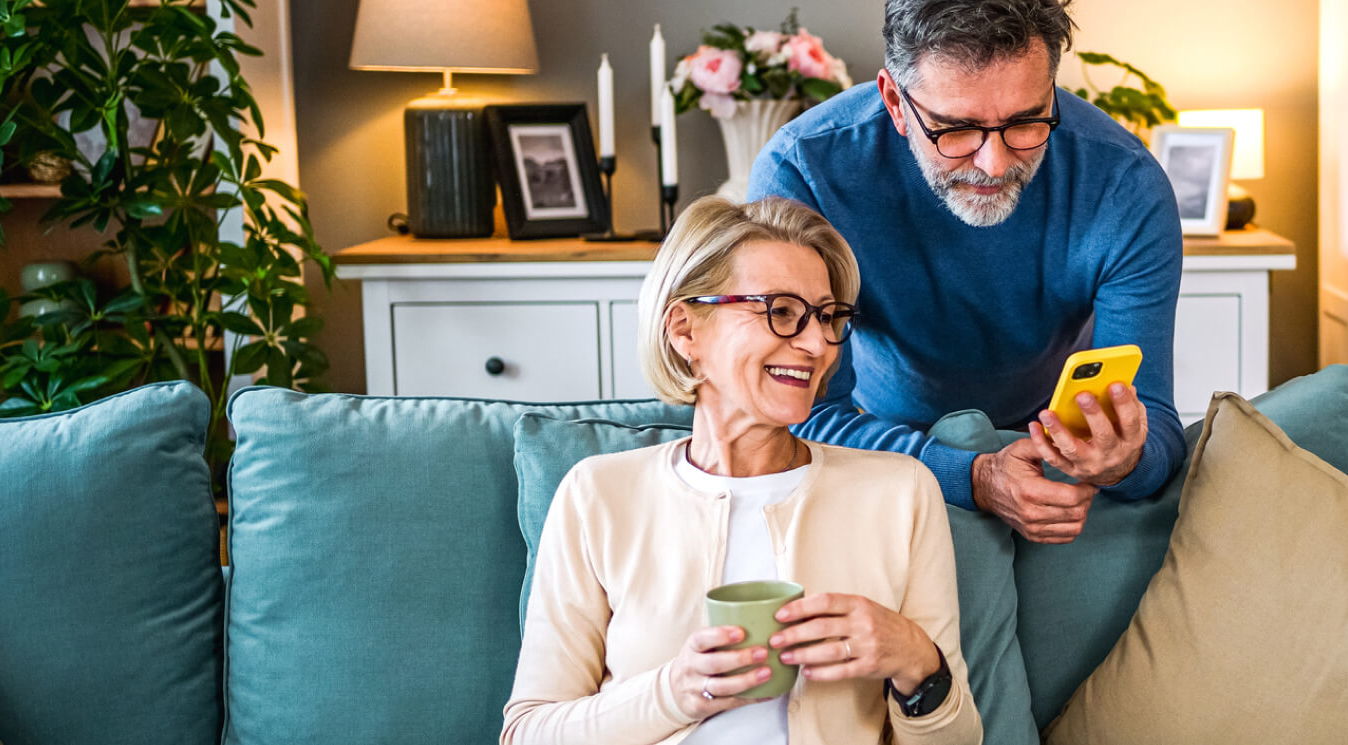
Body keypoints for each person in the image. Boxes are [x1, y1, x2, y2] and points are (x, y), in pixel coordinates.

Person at [500, 197, 981, 745]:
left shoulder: (900, 491)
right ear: (685, 330)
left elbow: (959, 738)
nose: (816, 344)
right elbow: (527, 733)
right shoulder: (599, 494)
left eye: (827, 317)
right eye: (780, 311)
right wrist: (674, 693)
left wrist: (917, 661)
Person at [748, 0, 1186, 545]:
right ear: (895, 102)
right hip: (880, 440)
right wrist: (972, 476)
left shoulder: (1126, 185)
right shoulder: (805, 172)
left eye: (1026, 122)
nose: (994, 164)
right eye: (956, 130)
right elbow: (799, 414)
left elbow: (1159, 426)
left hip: (1056, 451)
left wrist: (1123, 460)